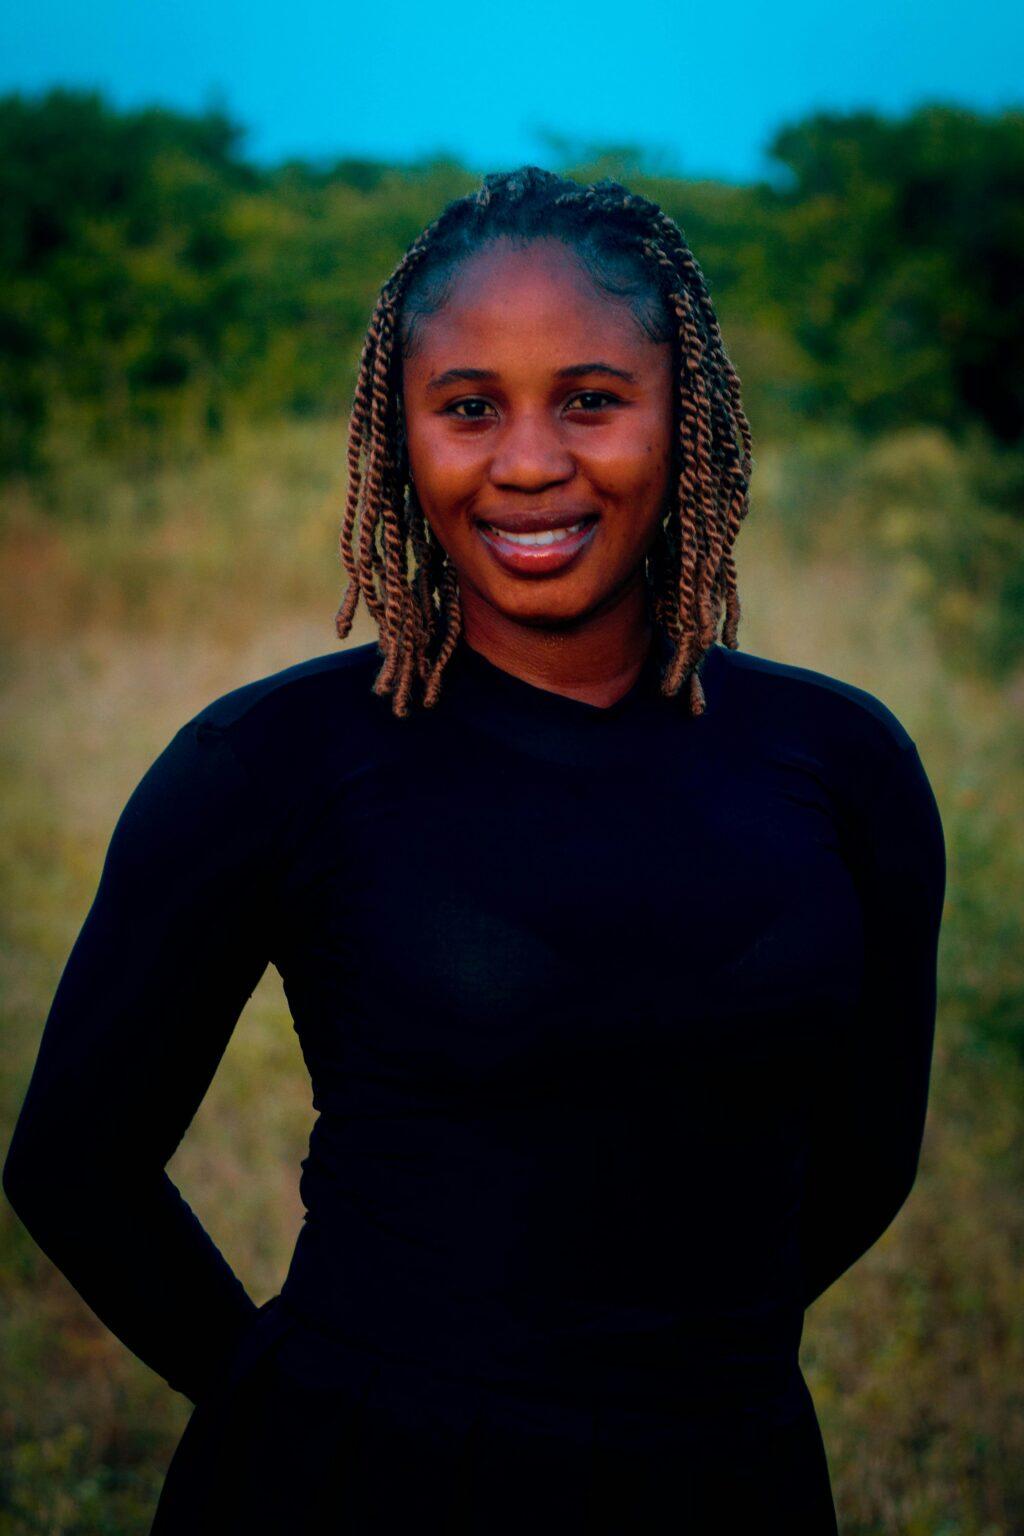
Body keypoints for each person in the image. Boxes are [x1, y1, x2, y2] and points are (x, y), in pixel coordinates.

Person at [2, 166, 946, 1534]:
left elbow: (870, 1154)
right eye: (467, 408)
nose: (527, 462)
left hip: (728, 1471)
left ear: (684, 418)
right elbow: (73, 1163)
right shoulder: (271, 763)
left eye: (590, 398)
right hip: (363, 1480)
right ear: (403, 437)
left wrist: (664, 1374)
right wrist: (289, 1406)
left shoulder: (842, 764)